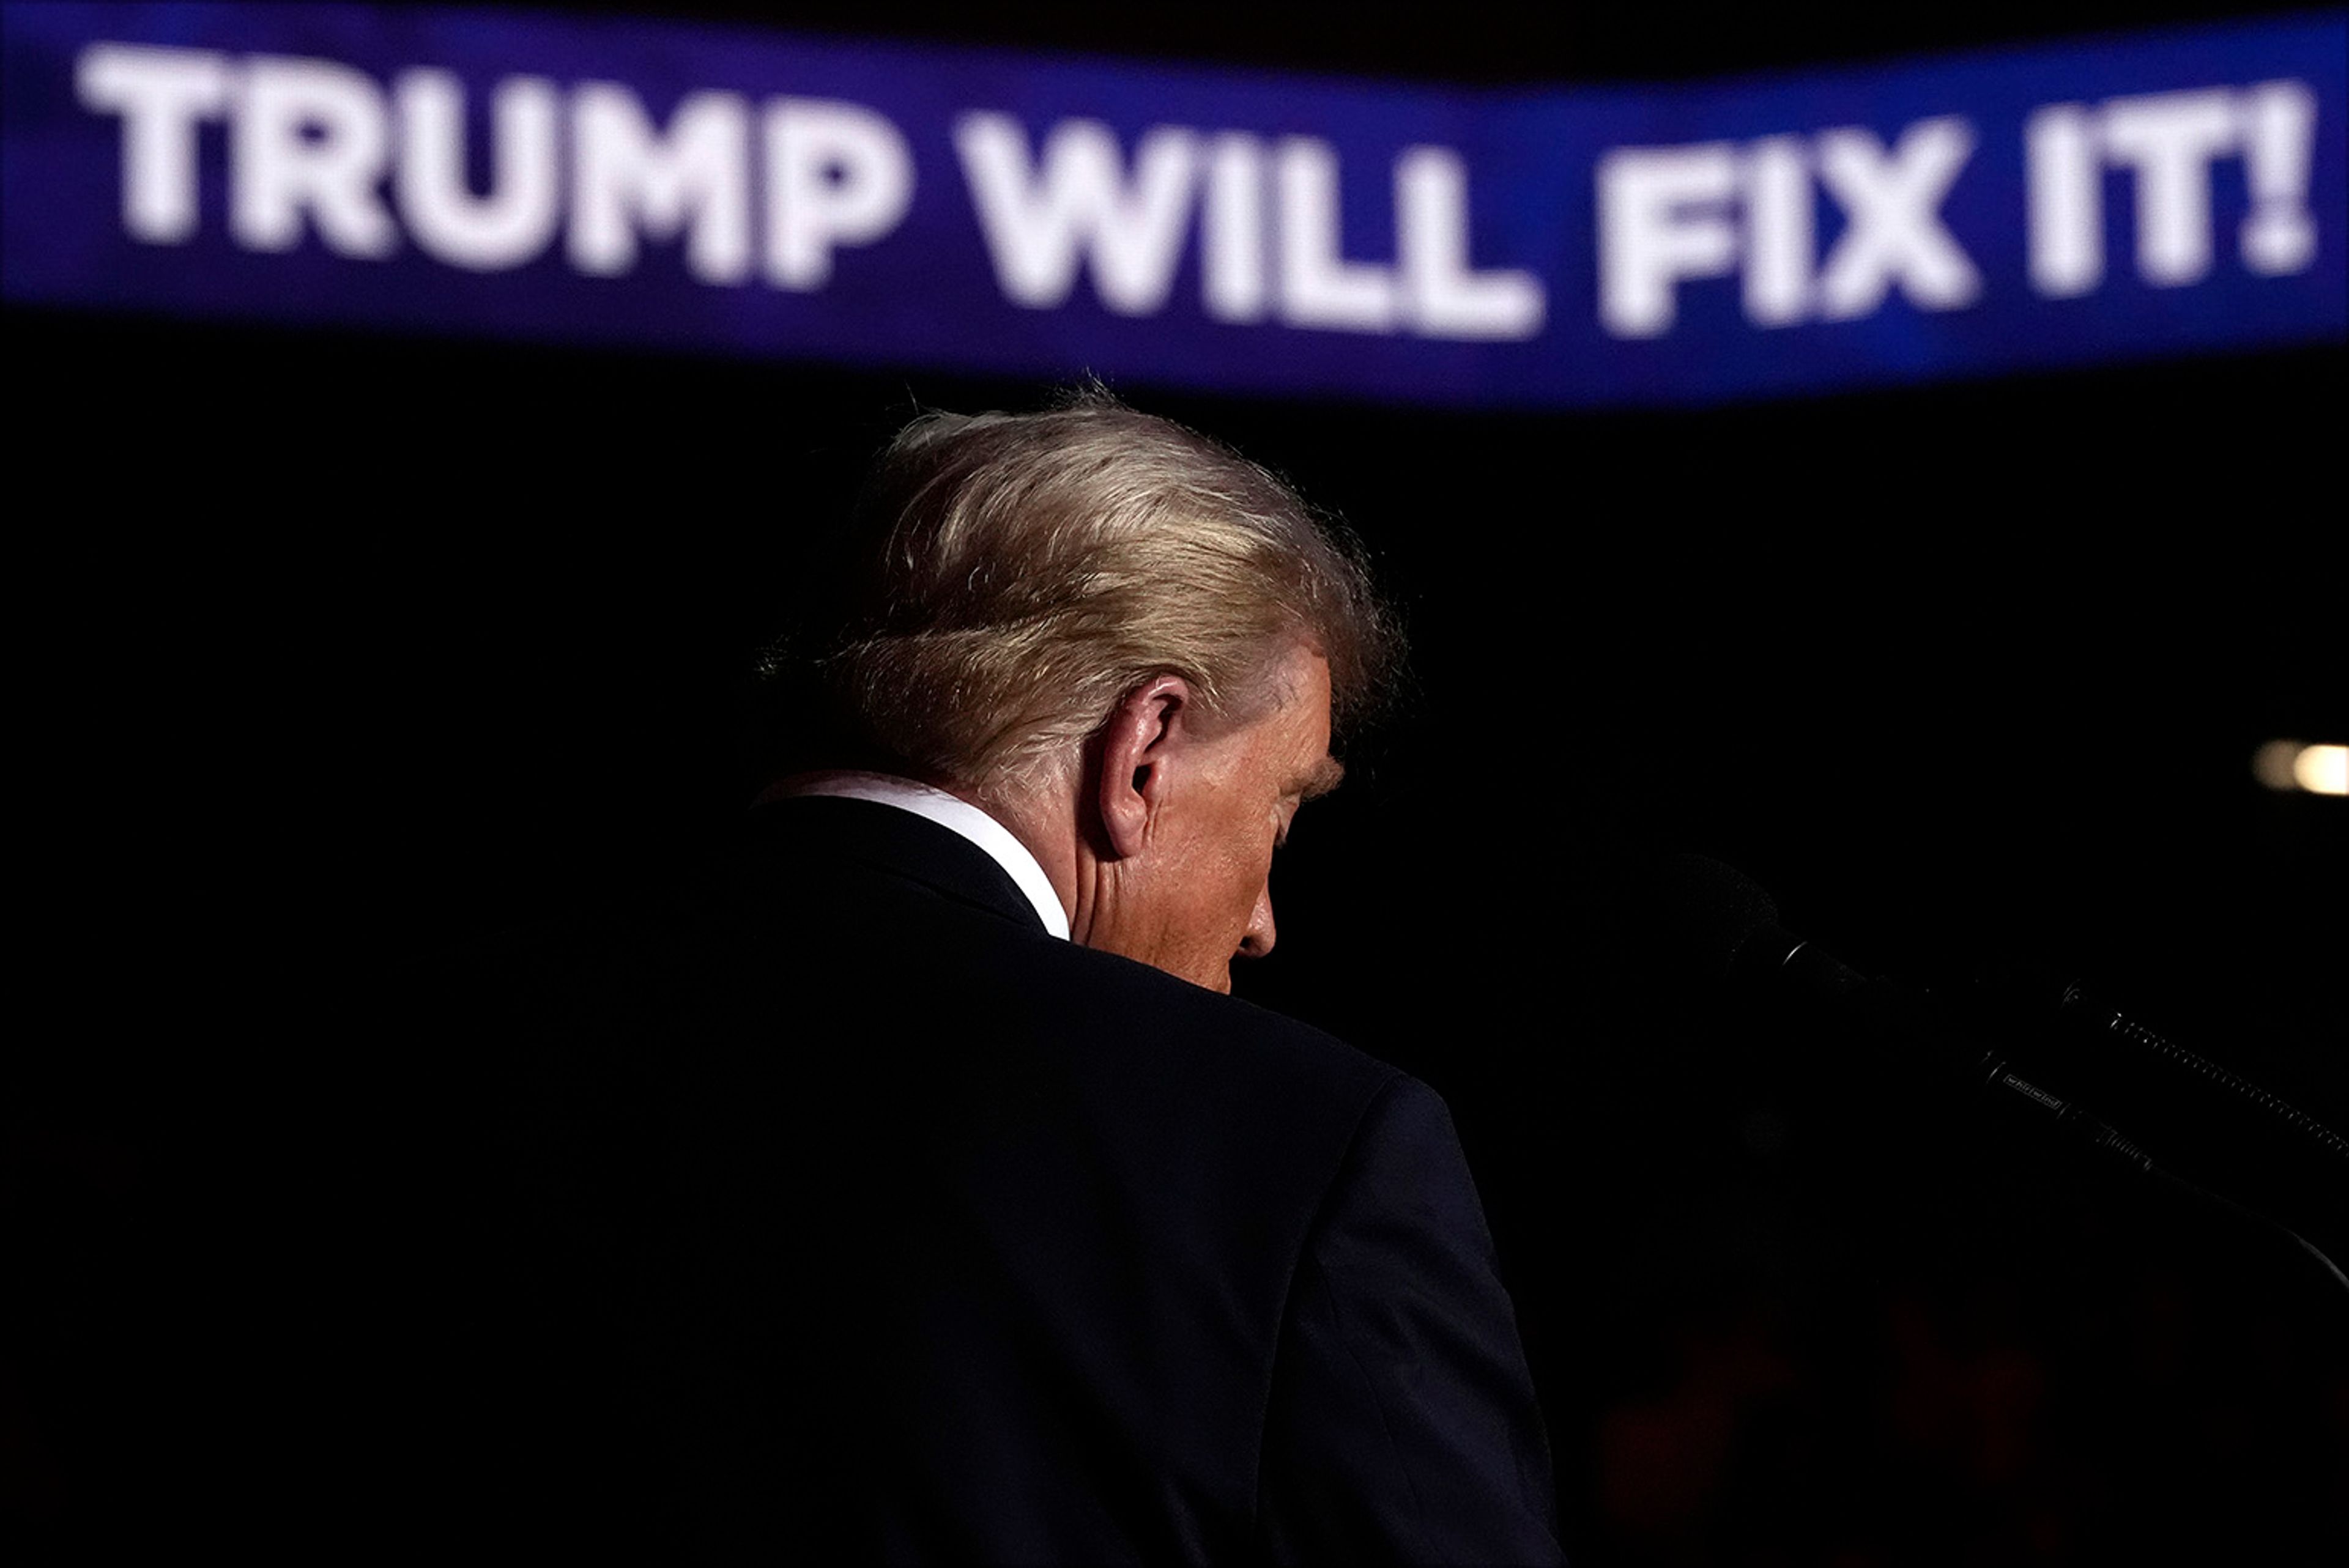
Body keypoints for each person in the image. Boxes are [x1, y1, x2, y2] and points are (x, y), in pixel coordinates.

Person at [462, 392, 1565, 1564]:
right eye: (1282, 813)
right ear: (1143, 751)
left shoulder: (441, 1027)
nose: (1262, 927)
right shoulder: (1302, 1151)